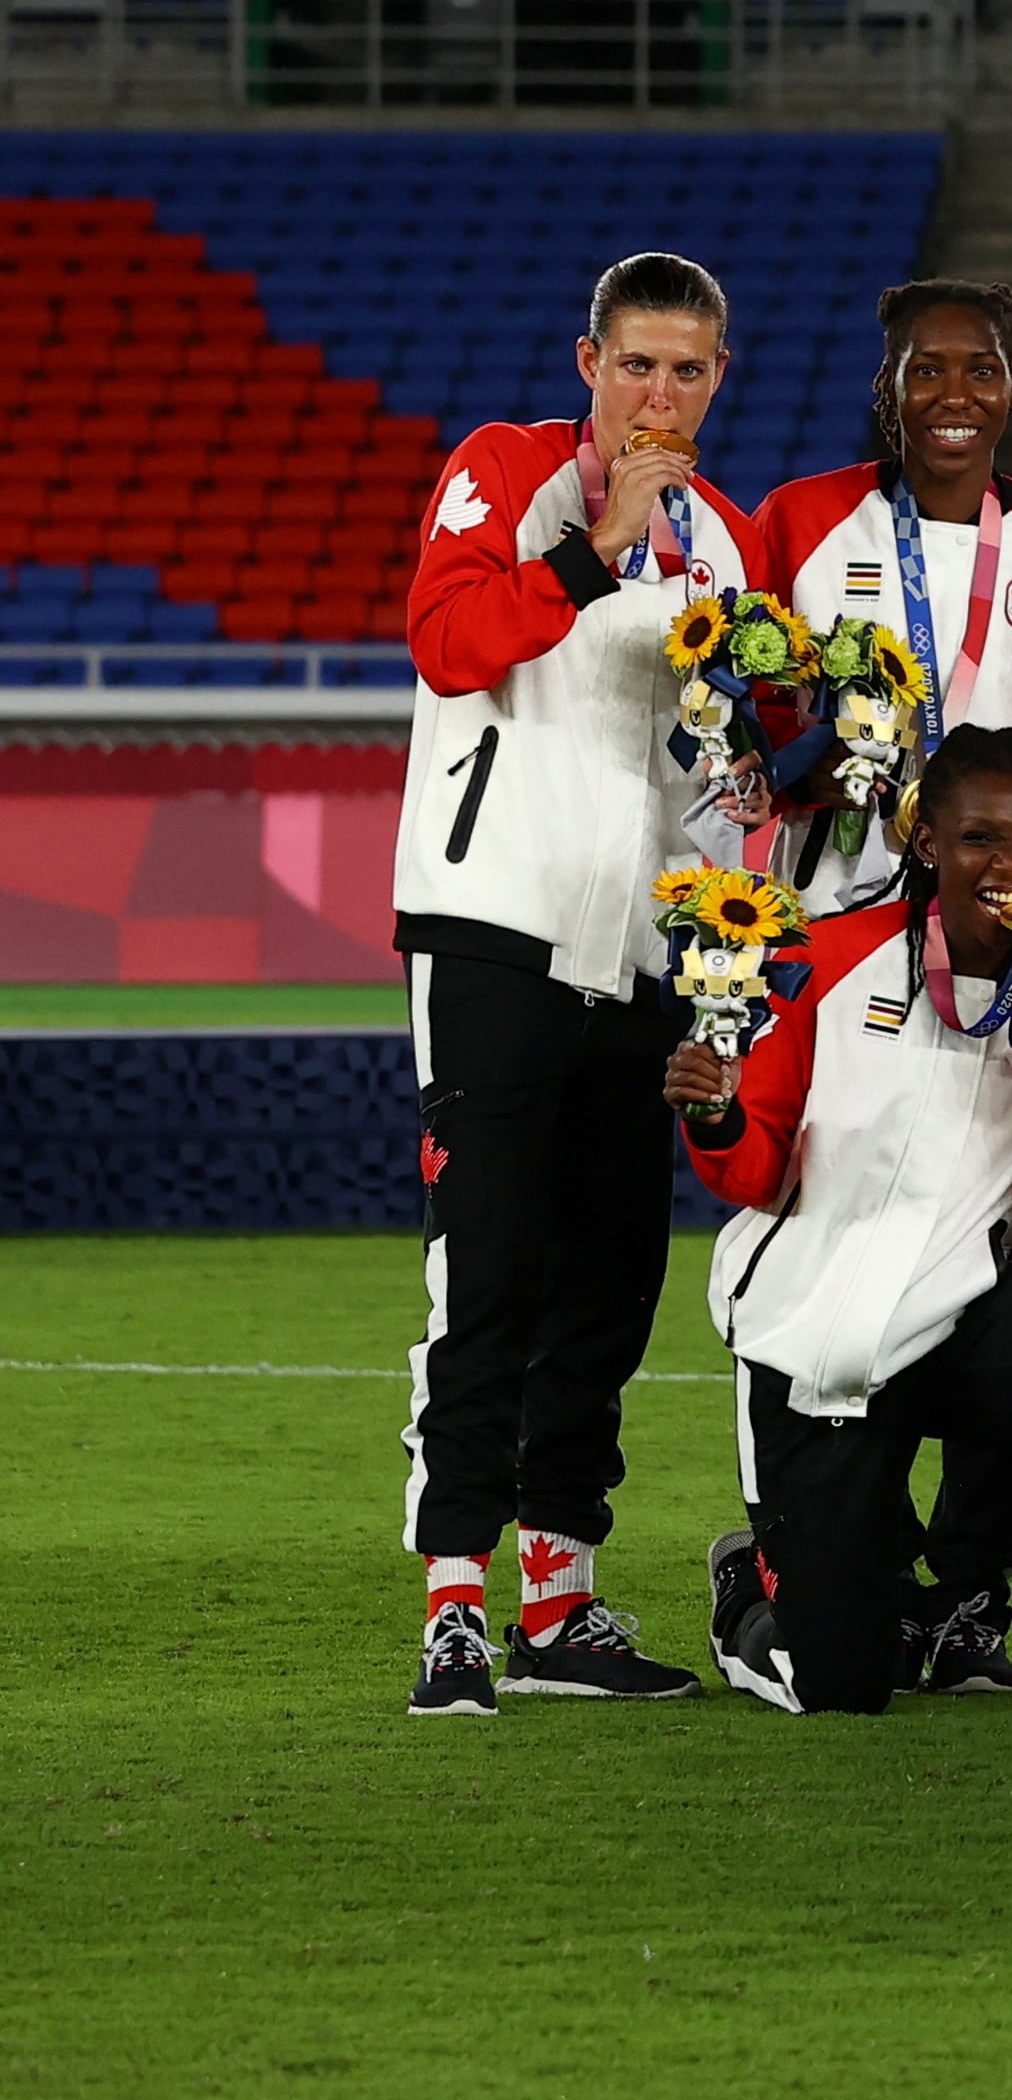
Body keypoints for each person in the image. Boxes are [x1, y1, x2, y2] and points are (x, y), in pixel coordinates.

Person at [395, 248, 764, 1714]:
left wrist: (747, 776)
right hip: (493, 929)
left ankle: (561, 1596)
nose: (659, 395)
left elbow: (706, 770)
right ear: (587, 363)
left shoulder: (726, 544)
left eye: (686, 369)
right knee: (486, 1271)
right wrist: (595, 537)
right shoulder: (503, 474)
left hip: (647, 961)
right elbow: (449, 644)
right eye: (636, 365)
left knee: (610, 1280)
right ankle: (456, 1601)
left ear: (718, 378)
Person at [674, 726, 1012, 1727]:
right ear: (926, 845)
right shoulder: (826, 959)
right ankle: (753, 1595)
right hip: (817, 1334)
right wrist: (717, 1116)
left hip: (960, 1330)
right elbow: (756, 1169)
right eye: (981, 840)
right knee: (844, 1684)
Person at [743, 279, 1012, 923]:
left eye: (981, 370)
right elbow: (749, 690)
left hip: (995, 880)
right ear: (890, 380)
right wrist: (802, 770)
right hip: (827, 879)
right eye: (926, 370)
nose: (955, 396)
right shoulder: (800, 519)